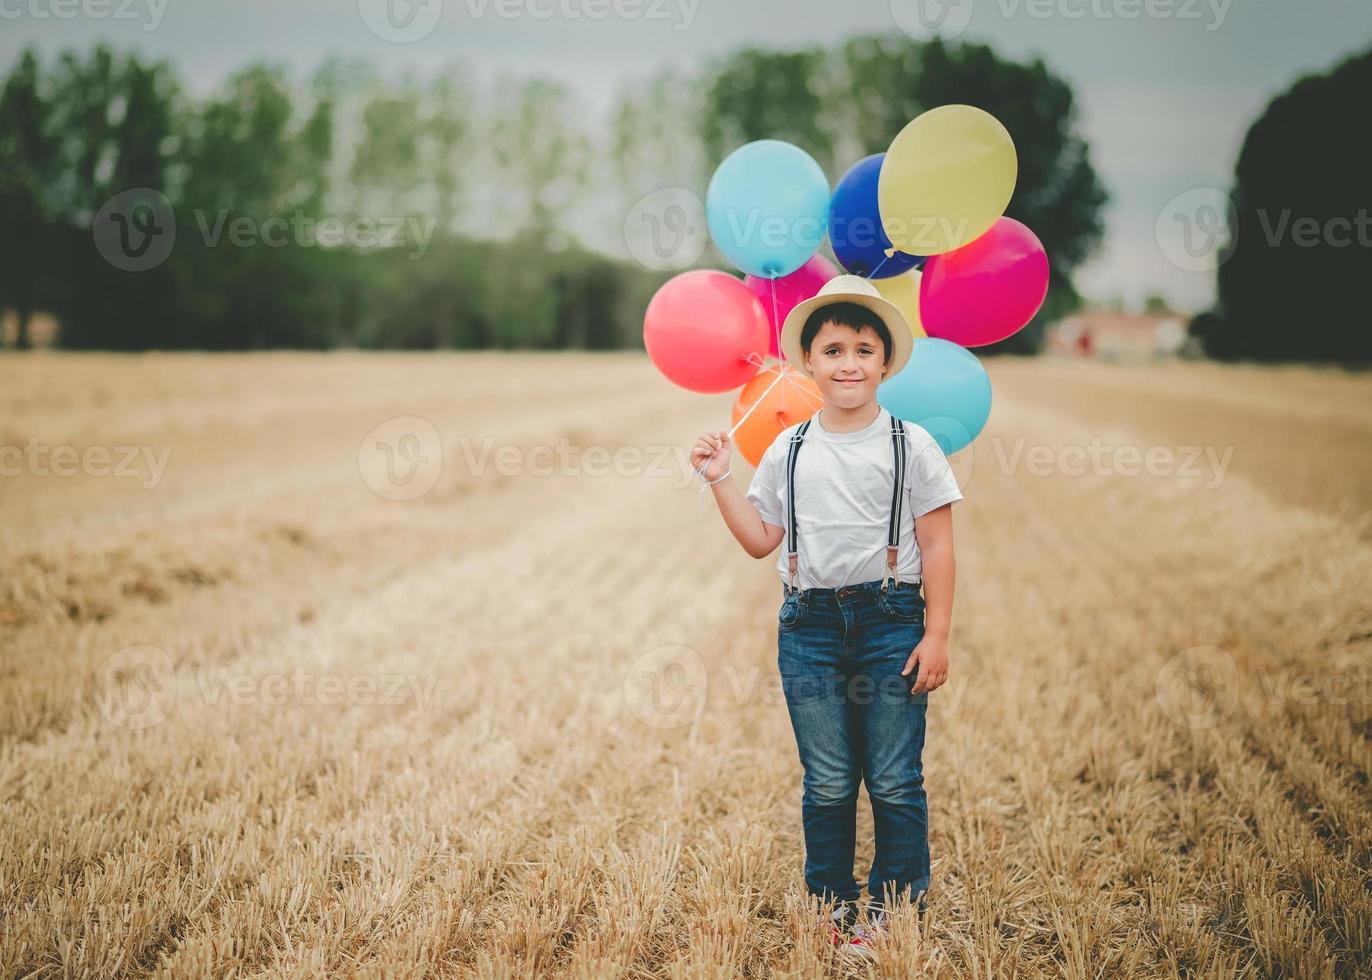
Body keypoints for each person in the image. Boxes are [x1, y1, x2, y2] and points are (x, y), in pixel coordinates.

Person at [689, 273, 963, 958]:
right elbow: (760, 541)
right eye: (834, 349)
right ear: (808, 361)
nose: (849, 363)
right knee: (832, 779)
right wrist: (721, 478)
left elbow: (938, 544)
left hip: (893, 619)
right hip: (808, 627)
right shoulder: (790, 448)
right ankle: (832, 907)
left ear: (885, 362)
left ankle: (896, 910)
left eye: (864, 350)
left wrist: (936, 633)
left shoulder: (912, 445)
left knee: (896, 775)